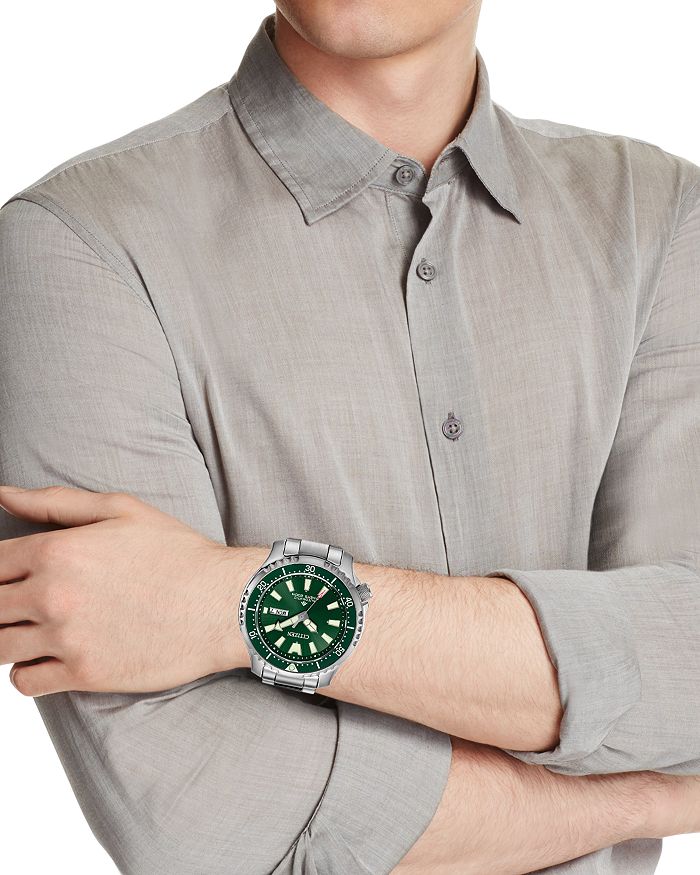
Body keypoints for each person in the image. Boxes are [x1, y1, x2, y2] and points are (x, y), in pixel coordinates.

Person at [0, 3, 698, 873]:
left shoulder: (660, 217)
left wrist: (233, 601)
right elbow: (198, 813)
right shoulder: (78, 244)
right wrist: (641, 798)